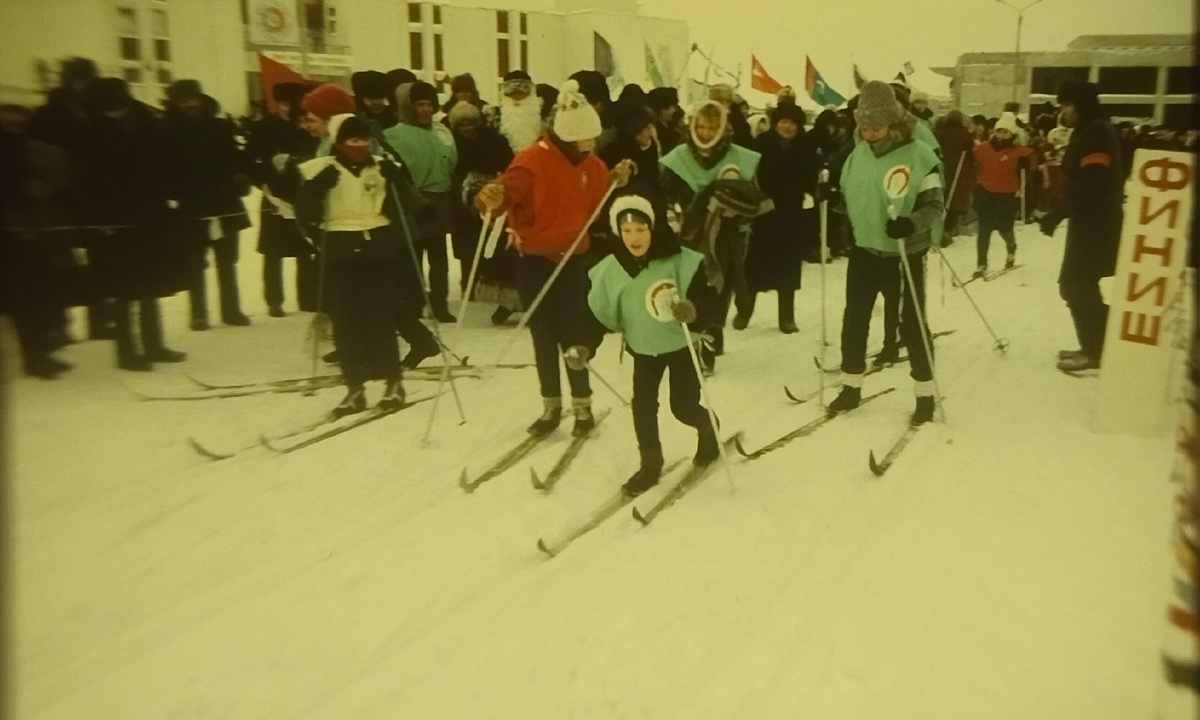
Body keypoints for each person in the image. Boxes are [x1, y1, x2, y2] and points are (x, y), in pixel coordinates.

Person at [475, 80, 634, 437]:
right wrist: (490, 196)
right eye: (586, 140)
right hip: (533, 258)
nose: (592, 146)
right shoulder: (531, 160)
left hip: (574, 258)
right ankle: (551, 405)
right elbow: (503, 197)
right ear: (567, 137)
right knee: (543, 334)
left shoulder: (590, 164)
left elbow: (594, 198)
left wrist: (614, 180)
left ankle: (582, 404)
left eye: (593, 140)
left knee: (573, 332)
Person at [577, 194, 721, 496]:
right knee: (642, 406)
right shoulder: (611, 269)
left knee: (682, 406)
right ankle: (650, 464)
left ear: (653, 229)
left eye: (641, 229)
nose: (634, 238)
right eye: (627, 231)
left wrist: (694, 309)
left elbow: (710, 298)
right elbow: (598, 315)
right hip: (643, 350)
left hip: (680, 346)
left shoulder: (679, 260)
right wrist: (584, 346)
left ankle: (708, 426)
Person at [828, 81, 944, 425]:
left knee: (911, 327)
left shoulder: (919, 154)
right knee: (854, 322)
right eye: (863, 127)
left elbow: (935, 205)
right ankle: (851, 387)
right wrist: (829, 197)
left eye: (876, 126)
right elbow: (853, 199)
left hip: (903, 254)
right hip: (865, 251)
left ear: (893, 122)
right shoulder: (857, 154)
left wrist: (911, 225)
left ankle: (925, 394)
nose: (869, 133)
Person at [295, 115, 409, 417]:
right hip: (339, 248)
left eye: (363, 141)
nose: (358, 146)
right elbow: (303, 210)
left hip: (377, 247)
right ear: (339, 143)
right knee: (345, 322)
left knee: (381, 317)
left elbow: (404, 203)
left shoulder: (383, 167)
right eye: (352, 141)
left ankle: (393, 382)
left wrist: (397, 182)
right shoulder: (324, 170)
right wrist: (315, 192)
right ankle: (354, 387)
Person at [83, 78, 189, 371]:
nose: (114, 114)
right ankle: (127, 352)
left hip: (149, 215)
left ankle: (154, 345)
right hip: (114, 222)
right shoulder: (94, 132)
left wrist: (168, 199)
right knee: (123, 292)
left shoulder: (146, 122)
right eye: (109, 111)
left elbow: (163, 164)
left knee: (149, 287)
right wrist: (100, 220)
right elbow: (89, 182)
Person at [660, 100, 764, 373]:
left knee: (720, 285)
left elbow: (756, 199)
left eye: (712, 127)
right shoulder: (677, 159)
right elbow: (666, 196)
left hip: (730, 235)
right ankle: (697, 340)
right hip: (690, 234)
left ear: (722, 128)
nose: (706, 133)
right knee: (694, 286)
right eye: (702, 126)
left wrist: (737, 211)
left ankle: (712, 333)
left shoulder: (740, 158)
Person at [1038, 81, 1124, 373]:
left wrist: (1056, 214)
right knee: (1079, 285)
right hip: (1092, 221)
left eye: (1064, 105)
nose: (1062, 112)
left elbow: (1092, 181)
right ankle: (1098, 346)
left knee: (1075, 284)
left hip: (1095, 224)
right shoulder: (1092, 130)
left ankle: (1098, 350)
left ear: (1078, 104)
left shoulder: (1096, 132)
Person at [162, 80, 253, 330]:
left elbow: (237, 158)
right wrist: (173, 195)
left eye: (194, 99)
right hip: (191, 208)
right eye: (184, 101)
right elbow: (163, 170)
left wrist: (240, 177)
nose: (191, 105)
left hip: (224, 203)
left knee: (227, 261)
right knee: (195, 263)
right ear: (176, 104)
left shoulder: (220, 127)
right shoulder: (168, 131)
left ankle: (231, 310)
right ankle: (199, 314)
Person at [1, 104, 75, 378]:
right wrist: (22, 189)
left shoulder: (32, 147)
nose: (12, 122)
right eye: (7, 118)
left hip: (40, 231)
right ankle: (33, 358)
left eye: (18, 118)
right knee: (23, 300)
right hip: (12, 235)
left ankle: (42, 351)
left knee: (43, 296)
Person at [384, 80, 459, 323]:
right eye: (420, 104)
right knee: (413, 258)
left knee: (439, 258)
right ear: (409, 106)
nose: (425, 110)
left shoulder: (442, 131)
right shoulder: (394, 134)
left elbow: (452, 163)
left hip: (440, 199)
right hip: (413, 200)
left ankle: (440, 305)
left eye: (429, 104)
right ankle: (413, 305)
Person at [740, 102, 818, 333]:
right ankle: (745, 311)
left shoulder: (806, 148)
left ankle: (786, 317)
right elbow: (749, 176)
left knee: (788, 266)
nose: (787, 126)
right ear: (775, 123)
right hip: (764, 213)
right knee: (754, 266)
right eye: (783, 121)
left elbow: (811, 178)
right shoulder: (760, 146)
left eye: (792, 123)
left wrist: (819, 190)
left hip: (792, 214)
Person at [245, 81, 318, 316]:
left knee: (306, 249)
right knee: (272, 251)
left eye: (290, 104)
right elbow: (250, 160)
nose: (285, 108)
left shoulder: (305, 127)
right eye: (281, 104)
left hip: (301, 193)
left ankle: (307, 297)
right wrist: (263, 181)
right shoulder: (264, 127)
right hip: (273, 195)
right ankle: (274, 300)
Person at [447, 101, 514, 298]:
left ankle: (489, 285)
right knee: (466, 244)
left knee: (491, 241)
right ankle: (468, 285)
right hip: (462, 198)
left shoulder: (494, 140)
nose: (467, 128)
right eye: (461, 124)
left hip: (492, 195)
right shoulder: (453, 144)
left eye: (470, 123)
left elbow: (508, 164)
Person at [971, 111, 1035, 277]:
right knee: (984, 230)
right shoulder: (982, 148)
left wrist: (1025, 167)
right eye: (999, 131)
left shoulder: (1020, 151)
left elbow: (1032, 165)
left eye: (1005, 131)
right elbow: (972, 158)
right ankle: (981, 264)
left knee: (1005, 229)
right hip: (986, 193)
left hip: (1007, 195)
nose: (1001, 135)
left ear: (1012, 134)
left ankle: (1011, 248)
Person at [935, 110, 975, 241]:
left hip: (941, 167)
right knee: (953, 199)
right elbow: (971, 151)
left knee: (941, 196)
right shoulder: (964, 135)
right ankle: (948, 229)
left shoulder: (938, 132)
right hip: (957, 169)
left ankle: (939, 228)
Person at [485, 70, 544, 155]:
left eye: (521, 93)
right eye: (512, 94)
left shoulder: (542, 119)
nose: (517, 97)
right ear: (504, 94)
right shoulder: (492, 118)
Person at [647, 87, 682, 153]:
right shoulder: (655, 131)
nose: (674, 110)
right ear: (662, 109)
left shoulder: (673, 128)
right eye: (671, 107)